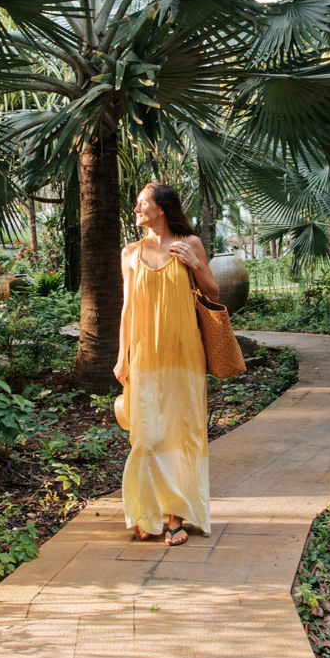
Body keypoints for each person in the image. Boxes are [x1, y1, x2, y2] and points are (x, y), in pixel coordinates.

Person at [114, 182, 221, 546]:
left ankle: (174, 516)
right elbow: (127, 309)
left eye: (142, 203)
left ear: (161, 208)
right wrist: (121, 355)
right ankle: (146, 512)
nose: (136, 209)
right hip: (145, 354)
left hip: (184, 354)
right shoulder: (130, 253)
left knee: (181, 433)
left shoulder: (189, 244)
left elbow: (214, 293)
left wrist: (195, 265)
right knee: (147, 436)